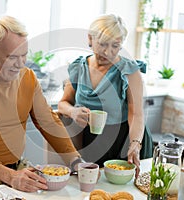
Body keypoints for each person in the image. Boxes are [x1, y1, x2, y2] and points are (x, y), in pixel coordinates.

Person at [0, 15, 84, 199]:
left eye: (24, 55)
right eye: (11, 57)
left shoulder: (28, 78)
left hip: (18, 170)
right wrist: (9, 176)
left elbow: (48, 122)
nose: (20, 64)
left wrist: (76, 162)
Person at [57, 14, 153, 177]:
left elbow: (136, 113)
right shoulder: (78, 67)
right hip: (87, 141)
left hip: (122, 141)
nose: (108, 52)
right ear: (90, 39)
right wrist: (73, 112)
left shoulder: (129, 71)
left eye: (115, 46)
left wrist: (135, 144)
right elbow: (63, 104)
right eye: (102, 44)